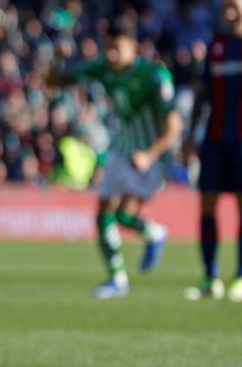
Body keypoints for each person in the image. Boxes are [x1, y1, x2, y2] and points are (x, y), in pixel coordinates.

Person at [49, 21, 180, 299]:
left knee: (124, 215)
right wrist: (57, 58)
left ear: (134, 48)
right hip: (121, 149)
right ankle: (117, 279)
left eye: (116, 49)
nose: (110, 55)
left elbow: (174, 127)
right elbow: (54, 81)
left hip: (151, 155)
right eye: (107, 48)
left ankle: (155, 233)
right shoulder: (103, 68)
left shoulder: (154, 76)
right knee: (104, 214)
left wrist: (149, 154)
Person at [183, 0, 242, 301]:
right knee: (207, 204)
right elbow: (202, 94)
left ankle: (241, 278)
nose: (229, 11)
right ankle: (210, 276)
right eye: (226, 6)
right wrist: (191, 135)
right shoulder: (216, 46)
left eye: (234, 5)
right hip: (216, 139)